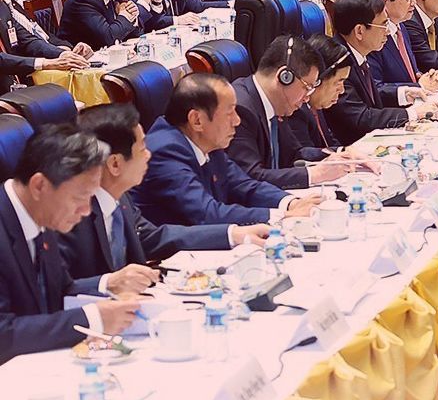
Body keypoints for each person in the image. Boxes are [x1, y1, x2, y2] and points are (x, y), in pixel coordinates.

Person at [62, 104, 262, 294]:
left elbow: (152, 237)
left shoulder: (120, 197)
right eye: (142, 149)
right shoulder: (67, 215)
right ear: (115, 164)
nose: (149, 155)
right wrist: (107, 283)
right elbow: (55, 291)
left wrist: (233, 234)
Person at [3, 126, 138, 359]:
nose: (86, 211)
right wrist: (92, 318)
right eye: (80, 197)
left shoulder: (42, 214)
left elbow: (62, 289)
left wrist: (113, 293)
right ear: (39, 186)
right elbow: (3, 334)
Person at [134, 72, 323, 229]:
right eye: (229, 112)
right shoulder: (165, 152)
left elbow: (244, 186)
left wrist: (291, 203)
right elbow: (208, 214)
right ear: (197, 120)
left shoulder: (206, 141)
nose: (237, 121)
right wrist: (283, 216)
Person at [227, 36, 358, 190]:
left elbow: (294, 153)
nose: (307, 97)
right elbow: (250, 176)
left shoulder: (276, 105)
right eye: (307, 87)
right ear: (285, 77)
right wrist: (313, 174)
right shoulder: (240, 109)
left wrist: (341, 155)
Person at [323, 0, 427, 139]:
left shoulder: (356, 52)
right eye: (383, 25)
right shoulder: (337, 63)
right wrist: (412, 114)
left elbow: (368, 96)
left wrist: (404, 94)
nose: (388, 32)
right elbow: (360, 117)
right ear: (359, 31)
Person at [0, 0, 89, 97]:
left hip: (16, 84)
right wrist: (45, 63)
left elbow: (27, 40)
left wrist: (61, 53)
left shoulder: (3, 7)